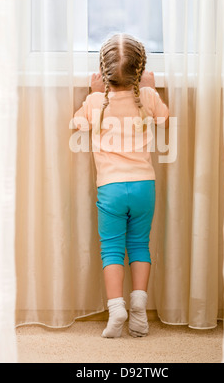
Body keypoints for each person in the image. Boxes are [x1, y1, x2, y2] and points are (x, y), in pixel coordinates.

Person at [73, 33, 169, 338]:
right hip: (144, 186)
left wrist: (93, 92)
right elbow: (165, 119)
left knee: (112, 249)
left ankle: (117, 309)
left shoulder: (94, 102)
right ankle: (139, 310)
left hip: (110, 189)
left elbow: (77, 123)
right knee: (139, 245)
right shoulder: (149, 98)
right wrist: (151, 88)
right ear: (140, 72)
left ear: (104, 73)